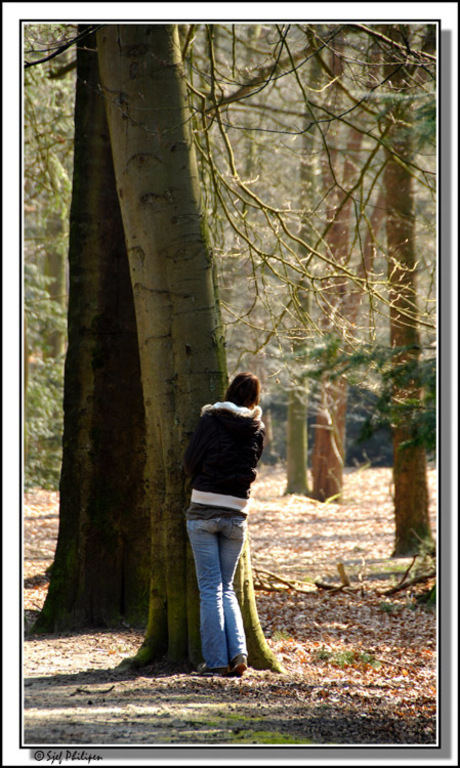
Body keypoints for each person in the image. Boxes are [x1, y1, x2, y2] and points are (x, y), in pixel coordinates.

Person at [183, 372, 265, 677]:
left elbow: (190, 463)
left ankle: (216, 661)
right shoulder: (257, 428)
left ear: (230, 391)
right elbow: (252, 465)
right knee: (227, 588)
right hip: (236, 512)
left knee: (210, 589)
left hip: (204, 509)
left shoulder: (210, 418)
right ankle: (239, 654)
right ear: (255, 397)